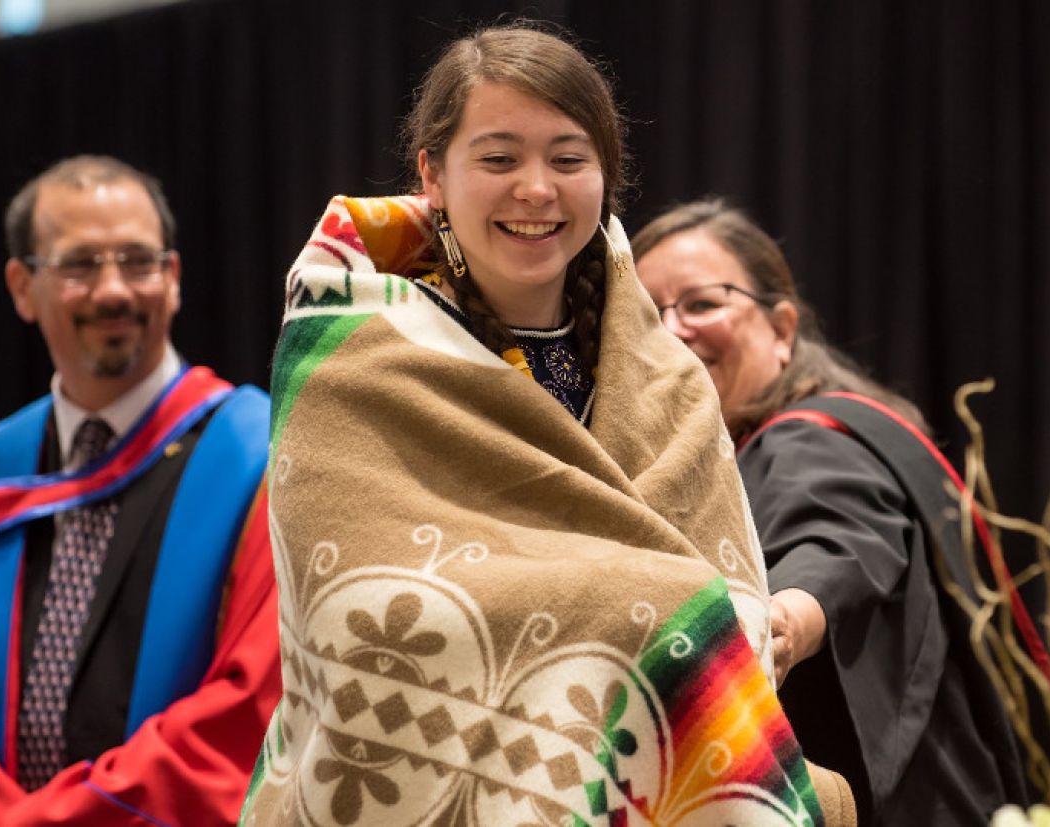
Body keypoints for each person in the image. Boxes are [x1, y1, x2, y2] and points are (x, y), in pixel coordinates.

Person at [239, 25, 855, 827]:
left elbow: (727, 595)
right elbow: (358, 616)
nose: (537, 189)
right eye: (498, 159)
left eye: (569, 160)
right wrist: (650, 608)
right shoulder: (349, 358)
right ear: (432, 173)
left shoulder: (670, 376)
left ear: (607, 175)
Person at [633, 198, 1033, 825]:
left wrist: (788, 617)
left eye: (702, 304)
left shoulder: (812, 438)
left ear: (783, 329)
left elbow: (842, 537)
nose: (673, 330)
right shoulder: (740, 455)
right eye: (647, 315)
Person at [0, 155, 280, 825]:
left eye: (139, 261)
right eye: (80, 265)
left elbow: (251, 708)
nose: (114, 289)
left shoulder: (261, 458)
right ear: (22, 287)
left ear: (173, 280)